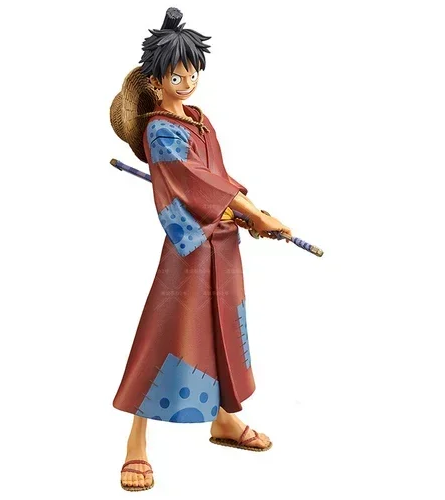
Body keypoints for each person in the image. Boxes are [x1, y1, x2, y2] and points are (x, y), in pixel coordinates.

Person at [111, 7, 292, 492]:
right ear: (156, 81)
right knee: (166, 335)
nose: (187, 82)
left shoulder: (200, 121)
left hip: (223, 242)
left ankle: (225, 419)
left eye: (192, 73)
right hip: (189, 246)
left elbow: (218, 179)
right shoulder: (160, 130)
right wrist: (252, 213)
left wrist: (247, 215)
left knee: (223, 329)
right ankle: (135, 443)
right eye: (177, 76)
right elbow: (196, 184)